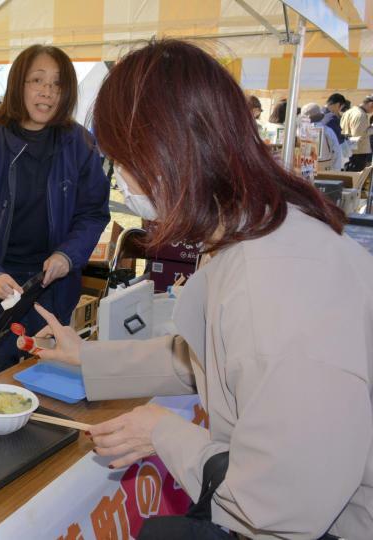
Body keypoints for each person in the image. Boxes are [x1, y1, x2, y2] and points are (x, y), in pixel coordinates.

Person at [34, 39, 373, 540]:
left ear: (167, 154)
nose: (121, 180)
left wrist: (162, 433)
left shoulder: (274, 283)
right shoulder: (255, 229)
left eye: (123, 161)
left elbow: (278, 504)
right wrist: (87, 357)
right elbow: (206, 357)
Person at [0, 44, 110, 377]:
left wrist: (67, 256)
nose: (47, 92)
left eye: (57, 84)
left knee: (47, 378)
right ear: (18, 85)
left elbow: (93, 213)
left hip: (53, 288)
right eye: (37, 80)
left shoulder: (79, 144)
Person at [301, 102, 342, 171]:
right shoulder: (328, 131)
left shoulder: (300, 131)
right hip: (325, 167)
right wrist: (336, 170)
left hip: (306, 165)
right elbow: (337, 151)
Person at [340, 95, 373, 171]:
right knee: (355, 178)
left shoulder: (350, 111)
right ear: (371, 104)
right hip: (358, 153)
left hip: (348, 150)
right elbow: (358, 136)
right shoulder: (360, 114)